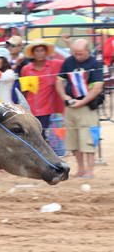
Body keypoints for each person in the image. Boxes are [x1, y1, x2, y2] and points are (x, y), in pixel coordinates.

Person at [55, 39, 104, 178]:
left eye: (80, 53)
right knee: (73, 140)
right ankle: (81, 168)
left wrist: (82, 102)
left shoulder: (95, 64)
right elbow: (59, 80)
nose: (77, 56)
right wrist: (64, 96)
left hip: (87, 107)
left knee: (88, 139)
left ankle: (90, 170)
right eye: (75, 53)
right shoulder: (69, 61)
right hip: (70, 106)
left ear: (88, 51)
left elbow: (97, 87)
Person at [20, 40, 64, 139]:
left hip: (48, 110)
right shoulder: (26, 69)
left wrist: (68, 43)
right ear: (33, 53)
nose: (39, 53)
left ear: (46, 52)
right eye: (37, 51)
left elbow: (70, 61)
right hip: (31, 110)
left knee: (45, 137)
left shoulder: (55, 65)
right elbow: (24, 91)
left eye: (42, 50)